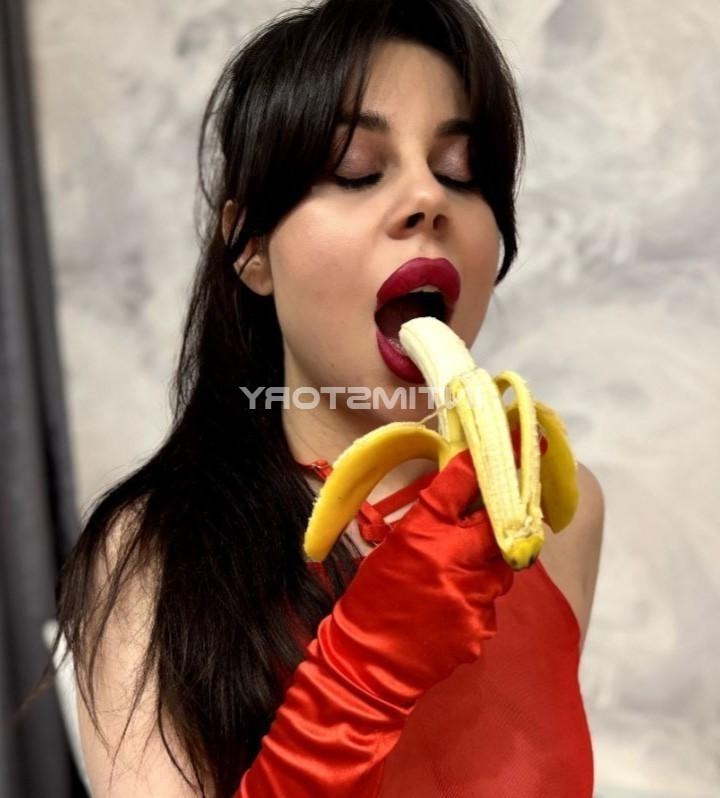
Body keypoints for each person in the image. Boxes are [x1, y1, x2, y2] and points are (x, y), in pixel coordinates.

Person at [53, 0, 604, 795]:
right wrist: (369, 666)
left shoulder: (562, 512)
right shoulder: (151, 556)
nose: (428, 198)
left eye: (460, 170)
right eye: (355, 169)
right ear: (251, 249)